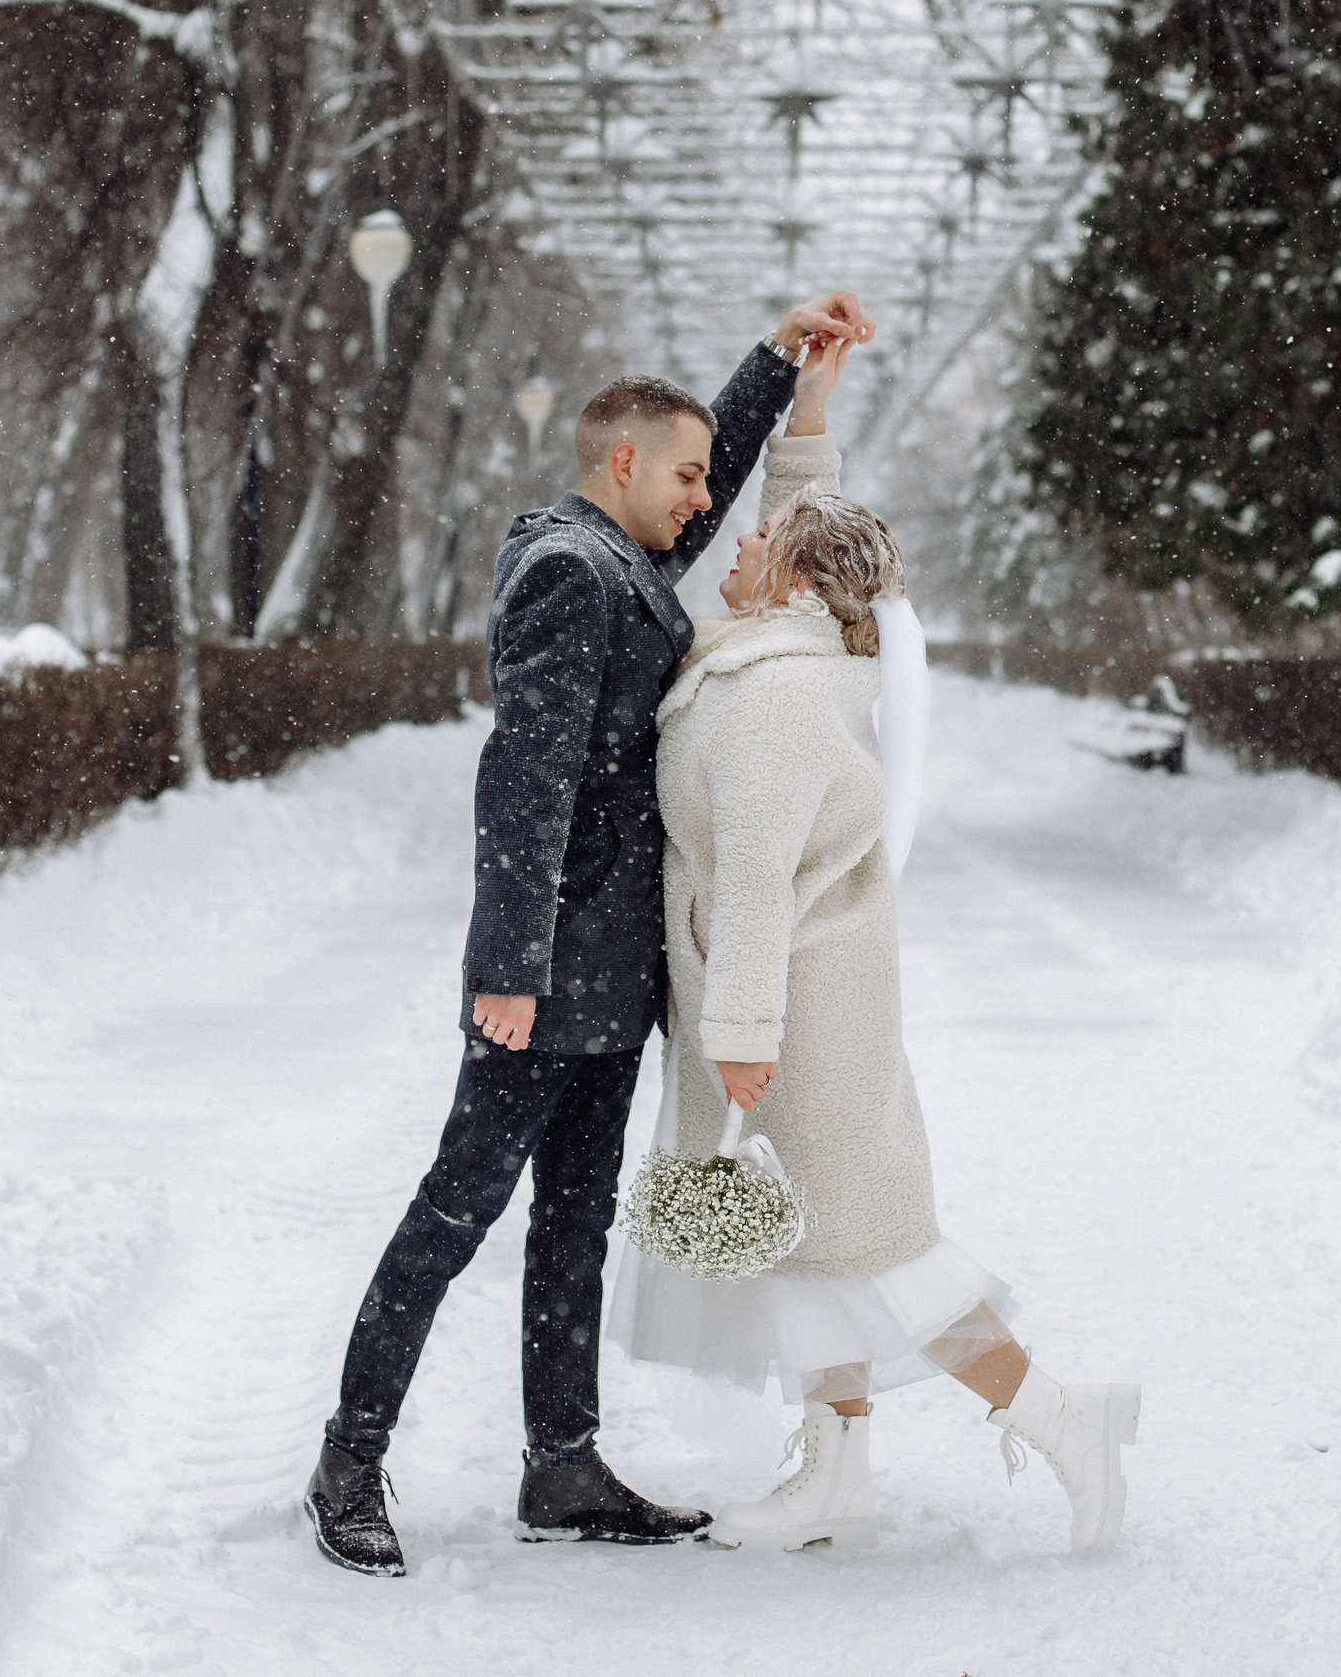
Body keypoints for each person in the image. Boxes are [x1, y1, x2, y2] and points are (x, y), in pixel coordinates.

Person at [303, 291, 879, 1578]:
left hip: (613, 972)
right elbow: (525, 777)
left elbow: (709, 467)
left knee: (571, 1220)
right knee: (455, 1211)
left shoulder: (618, 555)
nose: (701, 497)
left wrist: (776, 367)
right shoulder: (569, 570)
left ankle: (561, 1463)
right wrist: (505, 968)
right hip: (549, 973)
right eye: (680, 475)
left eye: (701, 476)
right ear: (620, 463)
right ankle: (348, 1459)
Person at [610, 363, 1143, 1555]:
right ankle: (836, 1470)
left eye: (762, 541)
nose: (733, 546)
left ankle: (1061, 1421)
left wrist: (740, 1036)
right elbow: (814, 523)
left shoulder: (770, 692)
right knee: (823, 1257)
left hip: (796, 1015)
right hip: (812, 1007)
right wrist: (808, 412)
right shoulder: (782, 651)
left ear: (796, 578)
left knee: (871, 1261)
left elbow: (752, 876)